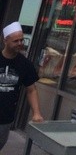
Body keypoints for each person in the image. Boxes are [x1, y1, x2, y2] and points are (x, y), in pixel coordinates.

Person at [0, 22, 44, 151]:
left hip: (5, 117)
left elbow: (31, 90)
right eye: (15, 41)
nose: (20, 43)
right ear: (5, 41)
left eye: (21, 40)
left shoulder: (25, 64)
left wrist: (36, 113)